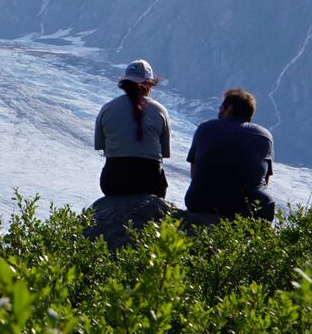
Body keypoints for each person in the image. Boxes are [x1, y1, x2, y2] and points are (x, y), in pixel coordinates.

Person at [184, 88, 277, 220]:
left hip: (201, 201)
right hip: (250, 209)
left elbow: (195, 173)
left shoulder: (206, 129)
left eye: (221, 108)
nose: (219, 112)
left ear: (229, 109)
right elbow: (264, 180)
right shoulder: (264, 136)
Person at [93, 59, 173, 197]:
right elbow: (164, 152)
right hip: (150, 183)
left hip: (113, 182)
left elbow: (100, 145)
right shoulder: (160, 111)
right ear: (149, 84)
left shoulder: (107, 108)